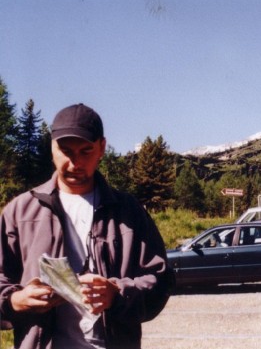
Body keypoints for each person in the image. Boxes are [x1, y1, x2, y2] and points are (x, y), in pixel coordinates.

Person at [0, 103, 172, 349]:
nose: (74, 163)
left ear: (102, 148)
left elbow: (160, 280)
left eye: (85, 151)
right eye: (65, 151)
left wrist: (117, 293)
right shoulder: (20, 211)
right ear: (52, 148)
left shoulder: (129, 211)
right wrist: (15, 300)